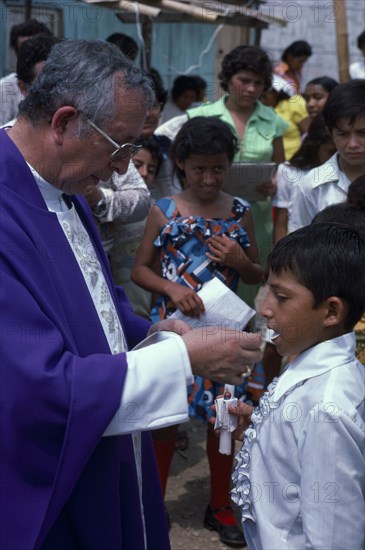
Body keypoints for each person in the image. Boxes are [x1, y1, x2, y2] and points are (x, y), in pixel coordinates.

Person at [0, 39, 263, 549]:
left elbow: (92, 295)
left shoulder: (61, 181)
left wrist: (150, 331)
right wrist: (182, 359)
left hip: (106, 433)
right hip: (44, 472)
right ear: (63, 123)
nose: (123, 170)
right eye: (120, 147)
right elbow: (34, 390)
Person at [132, 116, 263, 547]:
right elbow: (139, 270)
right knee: (164, 419)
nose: (209, 178)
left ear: (229, 165)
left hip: (224, 334)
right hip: (175, 333)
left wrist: (241, 262)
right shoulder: (163, 210)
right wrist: (170, 287)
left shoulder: (240, 212)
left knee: (223, 420)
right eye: (199, 168)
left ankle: (222, 504)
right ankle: (153, 501)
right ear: (182, 165)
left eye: (219, 168)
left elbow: (258, 271)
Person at [230, 222, 365, 549]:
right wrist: (262, 432)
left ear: (331, 311)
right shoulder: (304, 363)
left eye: (281, 296)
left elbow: (333, 539)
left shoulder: (325, 409)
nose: (265, 308)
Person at [157, 45, 288, 309]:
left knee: (245, 291)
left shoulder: (273, 120)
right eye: (244, 80)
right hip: (199, 215)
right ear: (227, 79)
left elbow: (282, 169)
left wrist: (275, 184)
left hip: (255, 217)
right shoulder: (199, 116)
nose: (251, 89)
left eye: (259, 83)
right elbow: (179, 165)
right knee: (196, 282)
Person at [289, 79, 365, 231]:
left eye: (363, 133)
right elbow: (300, 243)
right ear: (330, 132)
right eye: (343, 134)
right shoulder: (311, 185)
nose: (353, 144)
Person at [109, 136, 163, 318]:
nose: (145, 173)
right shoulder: (100, 205)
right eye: (137, 165)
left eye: (152, 169)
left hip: (142, 313)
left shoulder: (157, 213)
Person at [273, 113, 337, 243]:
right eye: (330, 152)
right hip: (298, 245)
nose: (335, 158)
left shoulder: (340, 173)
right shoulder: (289, 172)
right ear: (315, 145)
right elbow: (281, 221)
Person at [0, 18, 53, 125]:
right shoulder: (4, 88)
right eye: (26, 48)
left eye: (40, 47)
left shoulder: (68, 80)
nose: (33, 53)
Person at [261, 74, 310, 159]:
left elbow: (309, 134)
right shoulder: (259, 109)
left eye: (264, 96)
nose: (262, 100)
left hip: (295, 162)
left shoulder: (293, 104)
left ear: (275, 92)